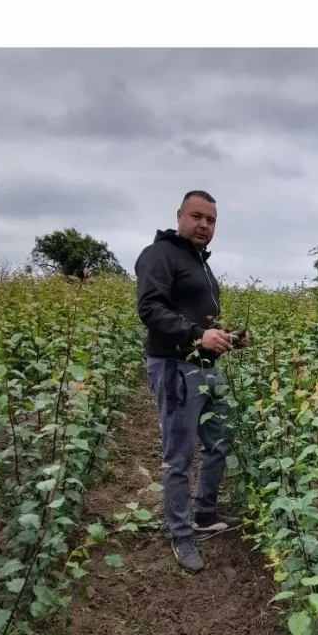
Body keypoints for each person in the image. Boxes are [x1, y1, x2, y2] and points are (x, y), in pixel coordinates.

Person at [134, 190, 250, 574]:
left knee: (218, 444)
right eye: (197, 216)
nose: (204, 225)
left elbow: (200, 321)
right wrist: (196, 335)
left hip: (206, 369)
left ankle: (203, 514)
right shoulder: (160, 255)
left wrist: (227, 336)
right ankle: (180, 534)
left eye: (211, 220)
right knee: (179, 456)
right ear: (180, 215)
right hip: (174, 368)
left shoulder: (200, 263)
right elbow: (150, 308)